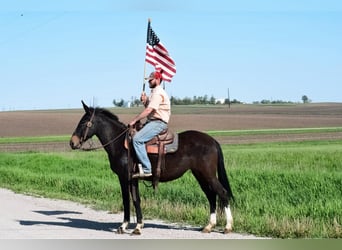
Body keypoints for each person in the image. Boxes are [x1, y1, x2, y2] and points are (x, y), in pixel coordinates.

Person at [129, 71, 171, 178]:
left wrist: (134, 120)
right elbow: (151, 108)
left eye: (151, 80)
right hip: (152, 121)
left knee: (137, 139)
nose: (149, 82)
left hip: (158, 123)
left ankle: (147, 169)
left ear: (157, 80)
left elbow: (149, 111)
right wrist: (145, 101)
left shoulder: (158, 93)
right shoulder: (154, 92)